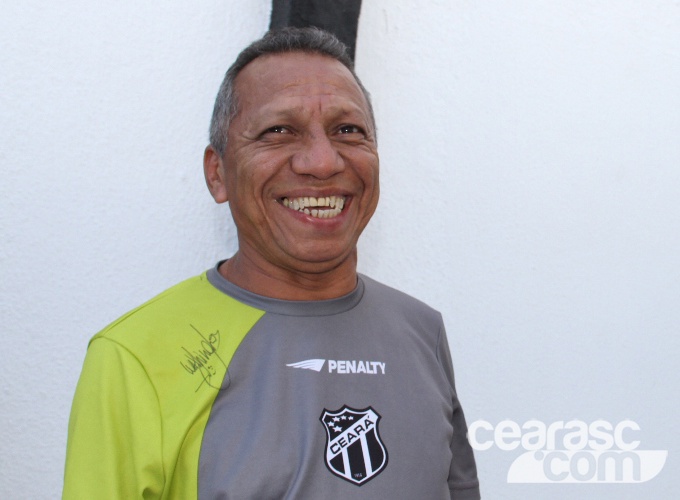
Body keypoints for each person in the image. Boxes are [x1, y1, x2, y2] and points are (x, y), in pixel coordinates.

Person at [63, 27, 480, 499]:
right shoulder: (134, 355)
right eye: (278, 131)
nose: (322, 162)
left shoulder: (422, 331)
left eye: (348, 130)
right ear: (217, 173)